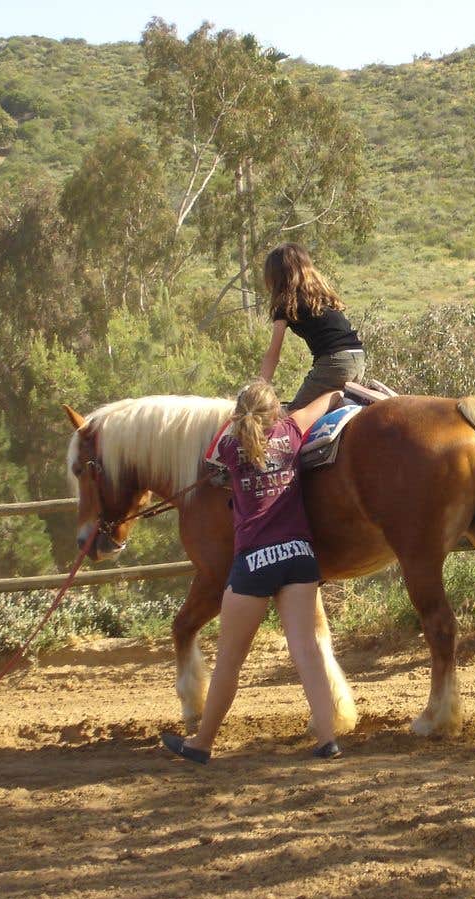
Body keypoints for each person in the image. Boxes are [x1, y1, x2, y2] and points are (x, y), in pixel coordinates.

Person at [161, 379, 343, 765]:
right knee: (307, 651)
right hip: (298, 554)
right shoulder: (292, 431)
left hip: (255, 561)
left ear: (239, 414)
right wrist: (344, 392)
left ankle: (202, 743)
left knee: (229, 660)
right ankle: (327, 739)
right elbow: (326, 401)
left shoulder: (228, 446)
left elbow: (209, 458)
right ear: (275, 410)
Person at [260, 242, 366, 408]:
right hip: (358, 359)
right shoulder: (322, 297)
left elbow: (273, 354)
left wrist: (260, 388)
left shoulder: (284, 304)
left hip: (334, 362)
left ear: (276, 277)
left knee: (293, 417)